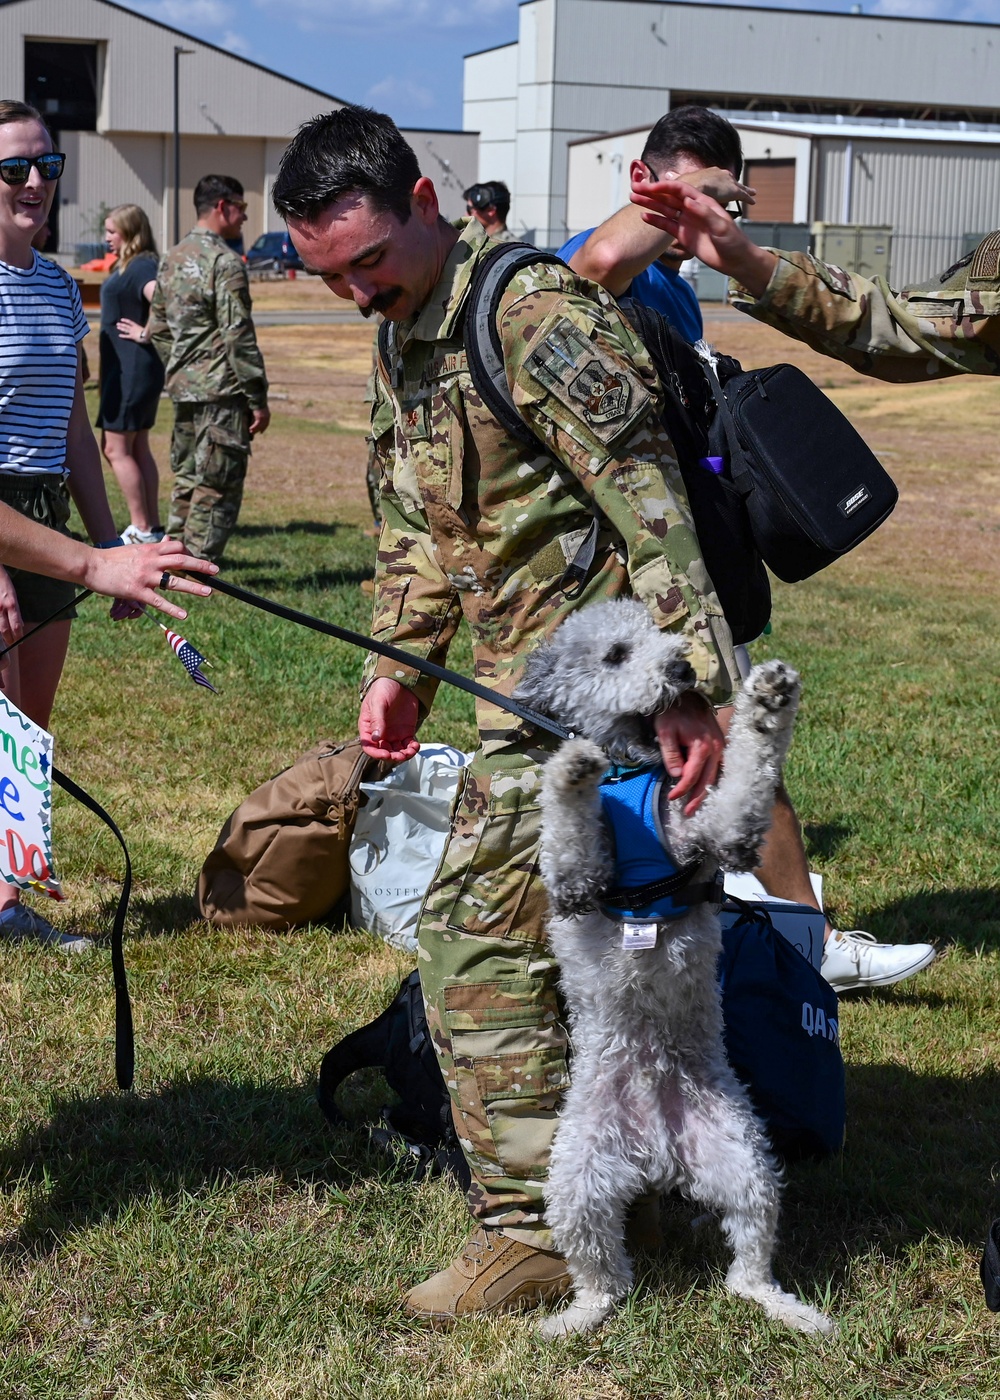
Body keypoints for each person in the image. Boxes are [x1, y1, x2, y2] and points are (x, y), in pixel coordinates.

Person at [275, 104, 738, 1322]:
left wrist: (687, 692)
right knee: (560, 949)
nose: (356, 293)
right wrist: (400, 667)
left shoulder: (531, 313)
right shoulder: (405, 330)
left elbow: (649, 509)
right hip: (511, 693)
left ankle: (540, 1230)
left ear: (425, 200)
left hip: (597, 699)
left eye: (369, 261)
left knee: (474, 945)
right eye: (332, 277)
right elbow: (420, 527)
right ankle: (611, 1189)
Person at [567, 107, 935, 996]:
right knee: (732, 739)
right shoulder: (591, 261)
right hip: (613, 571)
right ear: (642, 185)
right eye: (687, 192)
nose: (703, 217)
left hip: (673, 557)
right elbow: (593, 267)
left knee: (686, 754)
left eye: (725, 197)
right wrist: (681, 209)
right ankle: (808, 944)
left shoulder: (682, 289)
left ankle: (743, 930)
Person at [0, 99, 212, 950]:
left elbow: (75, 429)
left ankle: (7, 901)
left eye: (46, 167)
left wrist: (112, 541)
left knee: (26, 729)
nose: (33, 184)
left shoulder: (56, 284)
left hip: (44, 511)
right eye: (13, 168)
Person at [146, 174, 270, 564]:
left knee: (186, 479)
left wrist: (183, 365)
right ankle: (196, 568)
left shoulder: (171, 258)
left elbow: (159, 328)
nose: (244, 218)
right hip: (221, 391)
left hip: (184, 388)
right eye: (242, 208)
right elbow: (238, 336)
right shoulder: (224, 262)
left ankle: (172, 558)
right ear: (222, 206)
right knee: (218, 485)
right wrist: (257, 397)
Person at [559, 105, 752, 345]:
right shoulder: (589, 247)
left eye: (714, 202)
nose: (697, 214)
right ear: (640, 178)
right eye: (685, 193)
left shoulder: (685, 298)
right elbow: (606, 260)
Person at [98, 203, 166, 544]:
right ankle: (151, 527)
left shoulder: (141, 267)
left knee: (116, 448)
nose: (106, 237)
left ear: (130, 232)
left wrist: (146, 331)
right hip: (131, 369)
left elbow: (163, 300)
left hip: (131, 369)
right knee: (137, 447)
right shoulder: (135, 264)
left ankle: (140, 527)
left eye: (112, 231)